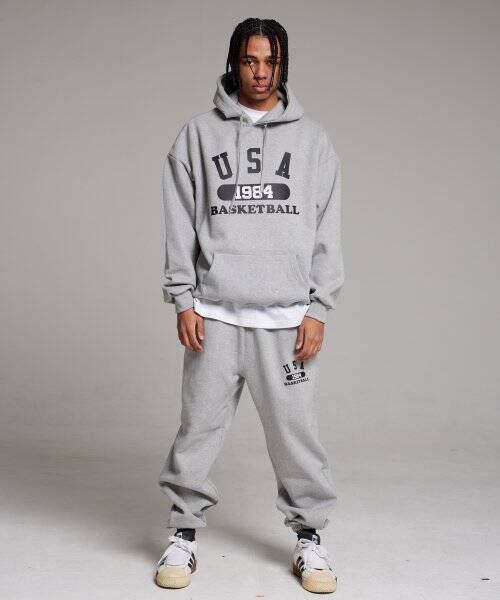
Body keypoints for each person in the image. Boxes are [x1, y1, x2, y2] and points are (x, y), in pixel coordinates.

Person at [155, 17, 344, 595]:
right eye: (250, 60)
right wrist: (182, 297)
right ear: (233, 62)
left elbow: (327, 229)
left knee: (295, 436)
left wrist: (318, 308)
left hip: (286, 322)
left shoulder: (313, 142)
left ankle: (309, 537)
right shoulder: (197, 135)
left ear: (283, 65)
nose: (260, 73)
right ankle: (183, 534)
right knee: (197, 430)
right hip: (213, 316)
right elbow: (179, 221)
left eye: (271, 61)